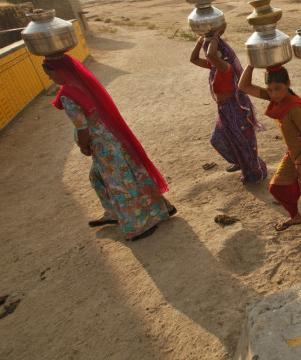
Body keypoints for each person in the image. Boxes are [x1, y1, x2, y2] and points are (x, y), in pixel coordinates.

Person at [42, 55, 174, 241]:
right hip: (114, 136)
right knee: (107, 176)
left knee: (121, 183)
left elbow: (82, 127)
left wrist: (83, 146)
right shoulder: (83, 84)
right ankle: (129, 211)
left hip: (101, 145)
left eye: (50, 74)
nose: (50, 79)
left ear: (60, 71)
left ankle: (140, 224)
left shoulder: (67, 96)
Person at [238, 64, 301, 236]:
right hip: (294, 155)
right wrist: (251, 64)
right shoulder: (277, 100)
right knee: (277, 188)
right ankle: (295, 215)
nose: (274, 93)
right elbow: (243, 86)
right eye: (270, 90)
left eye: (278, 88)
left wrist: (300, 161)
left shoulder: (295, 109)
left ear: (288, 84)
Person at [189, 23, 267, 184]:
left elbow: (211, 55)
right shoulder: (213, 66)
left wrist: (216, 36)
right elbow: (193, 59)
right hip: (224, 109)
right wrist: (200, 41)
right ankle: (242, 162)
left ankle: (255, 170)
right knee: (218, 139)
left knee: (243, 143)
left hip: (235, 109)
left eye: (208, 48)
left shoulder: (225, 67)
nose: (206, 51)